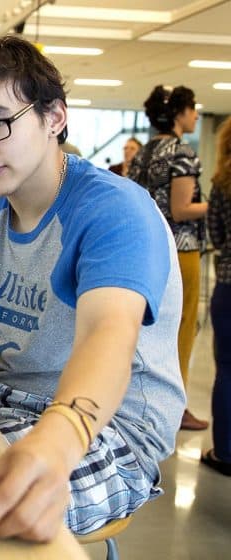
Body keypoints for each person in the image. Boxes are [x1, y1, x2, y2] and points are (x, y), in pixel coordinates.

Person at [0, 36, 184, 544]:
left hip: (106, 431)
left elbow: (109, 334)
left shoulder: (113, 211)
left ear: (54, 116)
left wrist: (57, 442)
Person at [128, 85, 210, 431]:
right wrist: (214, 205)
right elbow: (180, 209)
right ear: (179, 113)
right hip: (180, 250)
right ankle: (175, 407)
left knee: (143, 332)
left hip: (143, 249)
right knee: (181, 333)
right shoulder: (182, 152)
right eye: (192, 110)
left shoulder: (143, 153)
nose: (194, 116)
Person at [203, 117, 231, 476]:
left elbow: (217, 235)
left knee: (227, 369)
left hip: (228, 283)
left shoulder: (221, 182)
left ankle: (225, 451)